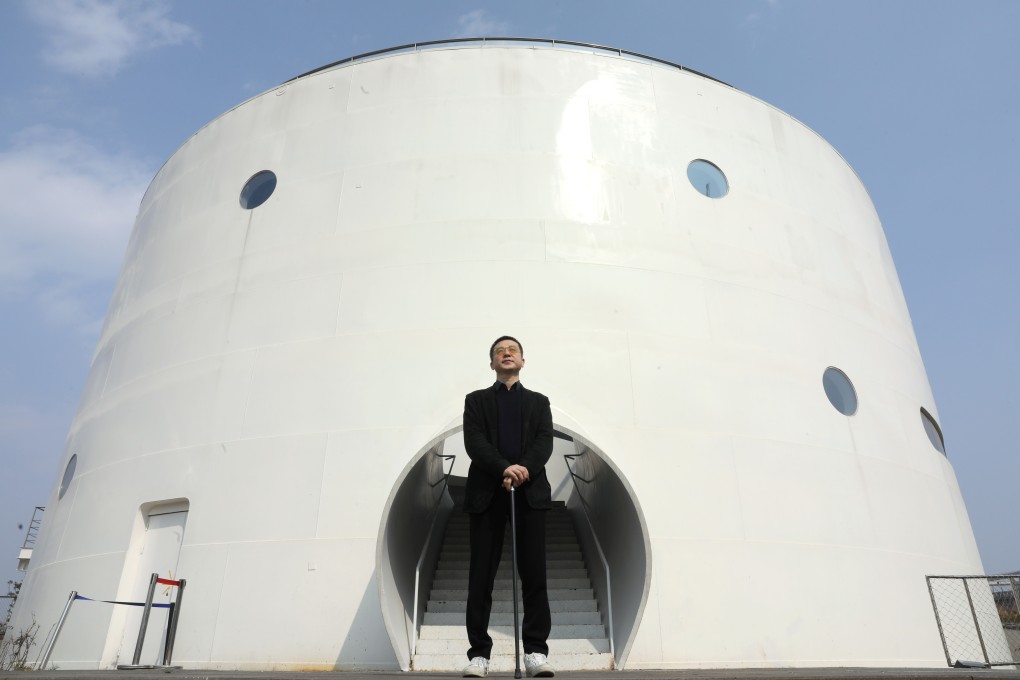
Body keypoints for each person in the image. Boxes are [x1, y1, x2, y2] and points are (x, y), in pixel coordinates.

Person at [461, 336, 555, 678]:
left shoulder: (539, 402)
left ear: (522, 361)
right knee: (480, 576)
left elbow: (544, 441)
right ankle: (479, 655)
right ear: (492, 363)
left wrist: (523, 469)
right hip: (488, 494)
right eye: (499, 351)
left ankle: (535, 652)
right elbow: (474, 443)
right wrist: (504, 468)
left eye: (512, 350)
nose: (506, 353)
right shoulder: (476, 401)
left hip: (529, 494)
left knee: (534, 575)